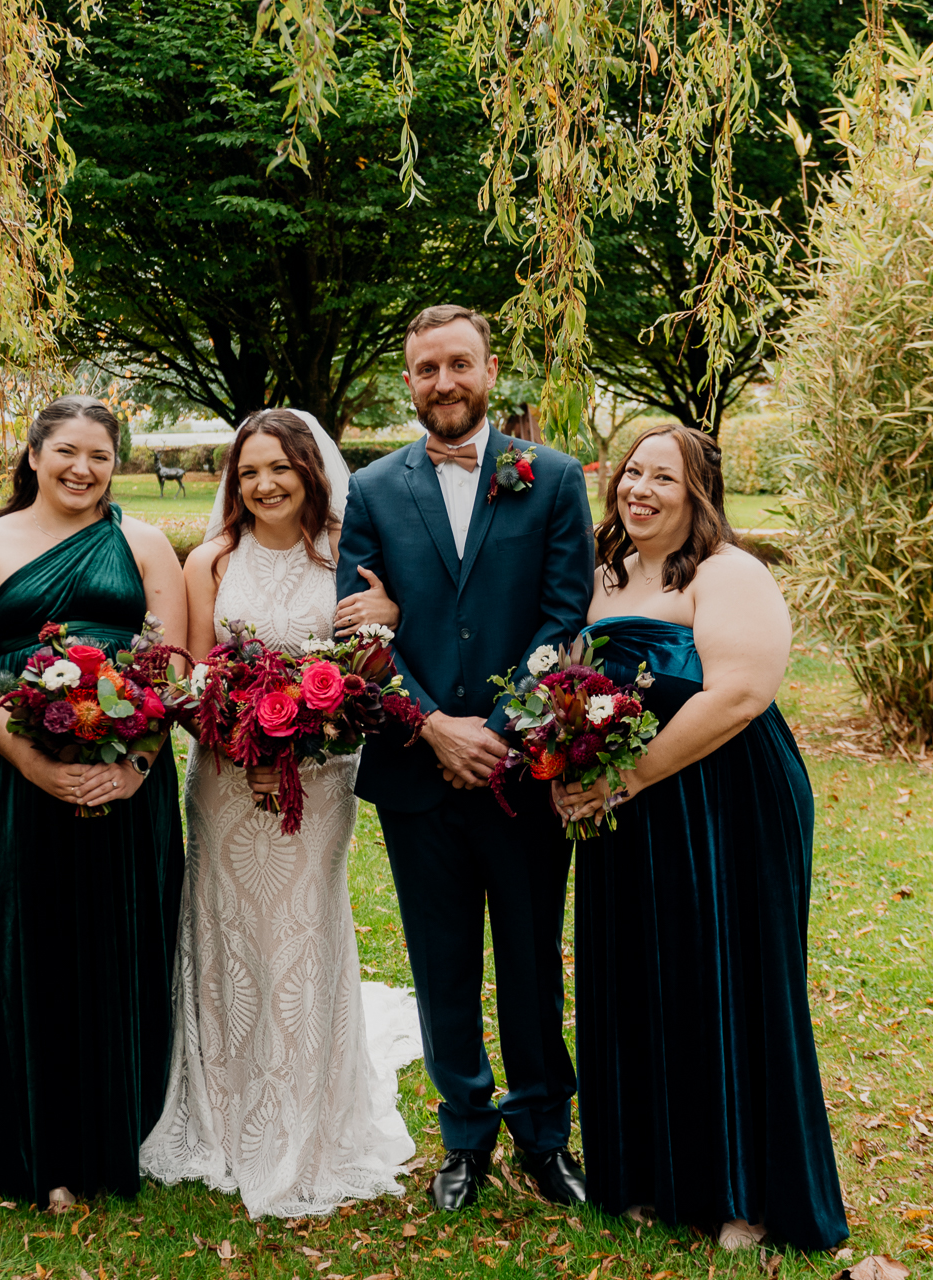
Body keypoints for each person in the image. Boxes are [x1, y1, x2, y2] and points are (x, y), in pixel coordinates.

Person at [556, 424, 849, 1251]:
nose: (639, 490)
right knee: (642, 979)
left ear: (698, 495)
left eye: (664, 479)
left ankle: (743, 1198)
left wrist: (629, 777)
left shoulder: (730, 574)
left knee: (729, 979)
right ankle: (651, 1175)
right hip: (632, 814)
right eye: (631, 473)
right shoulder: (606, 574)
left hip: (727, 800)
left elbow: (741, 697)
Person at [335, 305, 596, 1211]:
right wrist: (435, 726)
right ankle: (464, 1137)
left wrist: (499, 725)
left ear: (490, 371)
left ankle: (544, 1136)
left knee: (530, 960)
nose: (441, 382)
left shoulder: (552, 479)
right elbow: (357, 637)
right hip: (417, 770)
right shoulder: (370, 492)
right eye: (424, 369)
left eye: (458, 365)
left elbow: (566, 621)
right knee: (441, 961)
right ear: (408, 381)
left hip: (524, 767)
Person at [140, 409, 417, 1218]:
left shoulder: (348, 559)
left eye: (279, 469)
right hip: (224, 778)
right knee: (229, 930)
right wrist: (240, 746)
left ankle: (307, 1121)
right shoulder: (214, 559)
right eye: (248, 470)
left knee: (298, 928)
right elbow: (190, 675)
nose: (263, 484)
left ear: (310, 471)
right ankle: (225, 1111)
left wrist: (388, 622)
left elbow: (369, 674)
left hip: (322, 778)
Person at [0, 395, 188, 1212]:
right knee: (34, 945)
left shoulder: (146, 542)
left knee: (125, 943)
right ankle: (44, 1153)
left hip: (132, 774)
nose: (83, 469)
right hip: (23, 775)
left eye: (100, 455)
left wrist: (138, 767)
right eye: (68, 452)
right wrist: (33, 766)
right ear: (35, 454)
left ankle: (123, 1136)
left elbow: (174, 668)